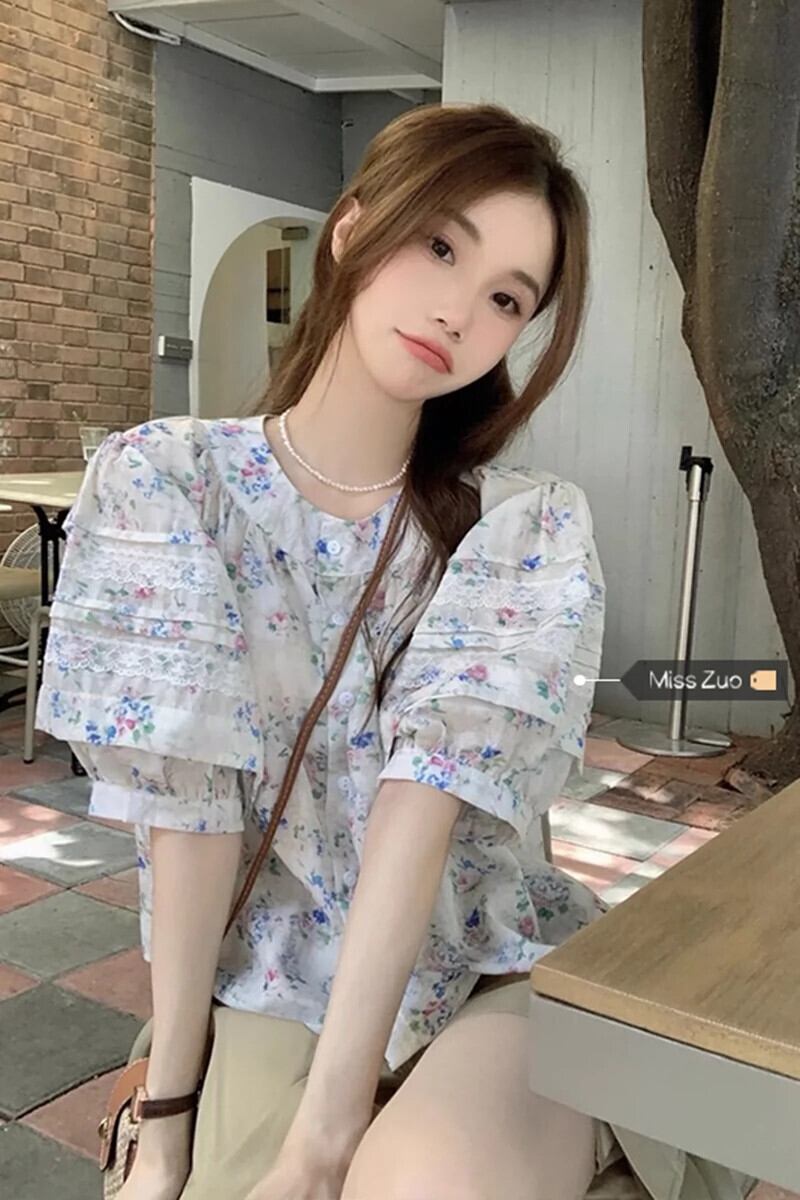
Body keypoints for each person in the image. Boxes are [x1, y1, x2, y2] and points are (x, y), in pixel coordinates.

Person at [35, 102, 757, 1200]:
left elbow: (417, 822)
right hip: (276, 975)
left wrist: (323, 1144)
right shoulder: (166, 482)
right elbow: (188, 819)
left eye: (507, 297)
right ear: (352, 228)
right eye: (440, 246)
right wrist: (168, 1117)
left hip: (482, 958)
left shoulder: (522, 525)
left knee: (412, 1183)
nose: (458, 310)